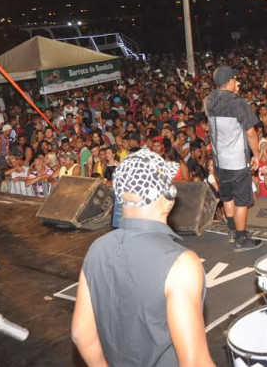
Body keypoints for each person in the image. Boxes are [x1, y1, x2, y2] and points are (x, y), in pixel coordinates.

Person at [71, 148, 214, 367]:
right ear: (168, 196)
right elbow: (194, 363)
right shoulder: (182, 264)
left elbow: (82, 335)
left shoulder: (97, 249)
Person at [204, 66, 262, 252]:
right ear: (229, 81)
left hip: (219, 160)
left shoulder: (208, 101)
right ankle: (241, 238)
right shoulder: (238, 103)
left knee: (227, 196)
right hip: (236, 160)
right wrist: (257, 154)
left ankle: (232, 231)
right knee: (242, 200)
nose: (238, 83)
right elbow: (251, 132)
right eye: (235, 80)